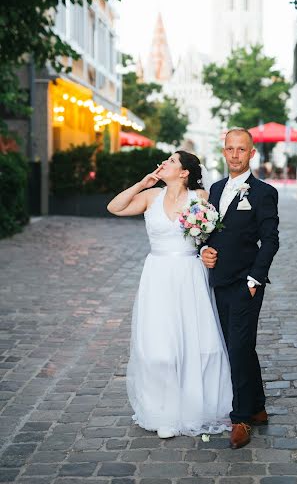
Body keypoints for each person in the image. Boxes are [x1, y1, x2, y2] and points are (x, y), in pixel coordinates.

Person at [107, 150, 232, 439]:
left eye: (172, 162)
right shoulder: (151, 197)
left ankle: (196, 407)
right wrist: (142, 183)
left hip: (189, 274)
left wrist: (205, 249)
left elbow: (214, 236)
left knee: (199, 344)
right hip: (158, 276)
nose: (165, 163)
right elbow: (114, 207)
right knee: (158, 348)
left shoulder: (200, 197)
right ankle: (162, 412)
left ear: (185, 172)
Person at [201, 128, 279, 449]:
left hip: (246, 285)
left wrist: (254, 280)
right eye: (230, 149)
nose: (235, 155)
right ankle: (258, 406)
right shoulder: (215, 189)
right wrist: (203, 251)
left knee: (237, 348)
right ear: (224, 152)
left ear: (251, 153)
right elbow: (207, 235)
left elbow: (270, 240)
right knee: (241, 346)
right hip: (218, 282)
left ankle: (241, 418)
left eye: (241, 149)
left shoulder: (263, 192)